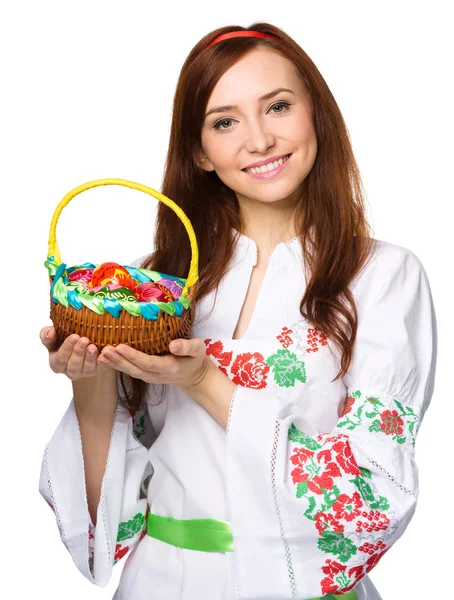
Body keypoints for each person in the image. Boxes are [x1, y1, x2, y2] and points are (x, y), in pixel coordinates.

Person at [38, 23, 437, 600]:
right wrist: (92, 379)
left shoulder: (383, 276)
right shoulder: (154, 289)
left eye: (277, 107)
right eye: (225, 121)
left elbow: (368, 499)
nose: (259, 140)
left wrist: (202, 379)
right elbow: (102, 536)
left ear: (315, 115)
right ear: (199, 150)